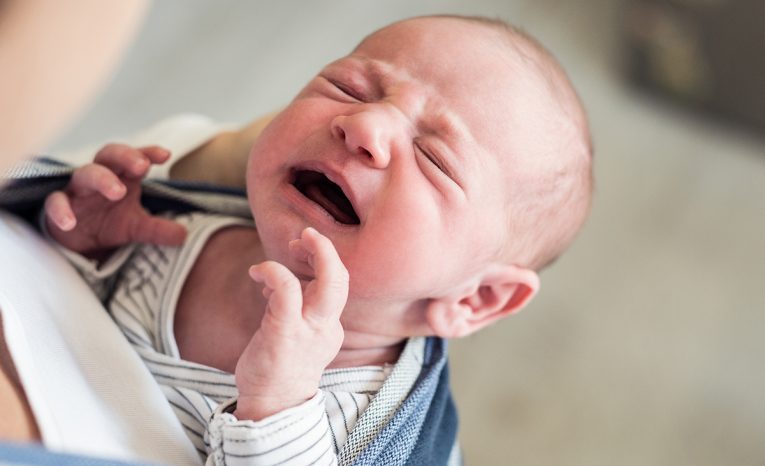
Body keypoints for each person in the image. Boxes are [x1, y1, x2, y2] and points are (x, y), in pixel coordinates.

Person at [40, 14, 592, 465]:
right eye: (348, 87)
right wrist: (90, 249)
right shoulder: (182, 229)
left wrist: (276, 407)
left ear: (475, 298)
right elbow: (55, 314)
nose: (365, 126)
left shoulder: (357, 425)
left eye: (434, 158)